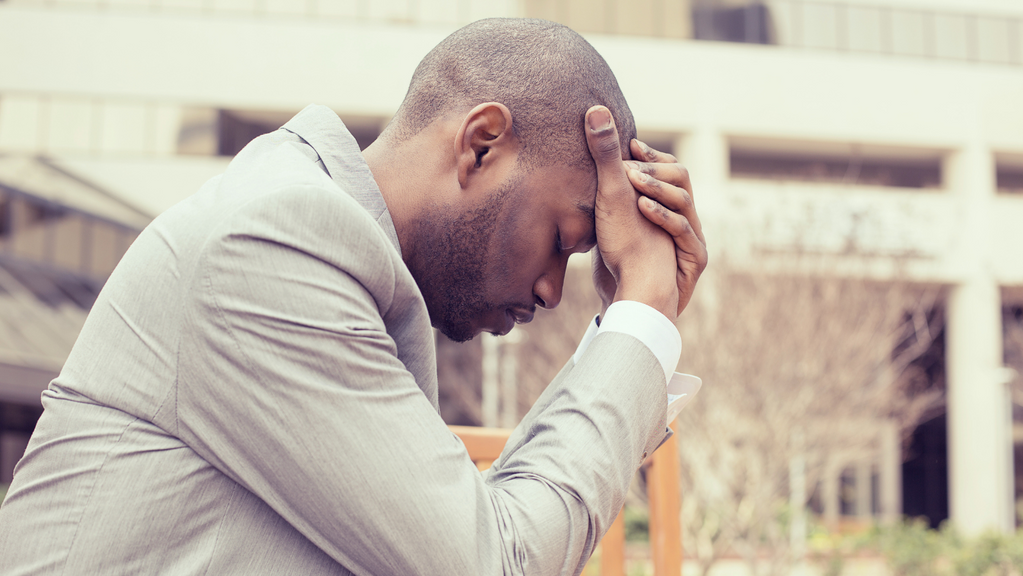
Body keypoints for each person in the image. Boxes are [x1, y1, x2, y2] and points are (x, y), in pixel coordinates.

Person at [0, 18, 707, 576]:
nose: (554, 290)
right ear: (482, 145)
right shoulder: (271, 245)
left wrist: (629, 322)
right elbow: (498, 559)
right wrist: (642, 317)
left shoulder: (339, 269)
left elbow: (477, 529)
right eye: (562, 237)